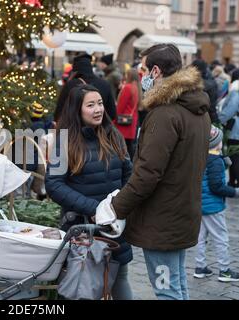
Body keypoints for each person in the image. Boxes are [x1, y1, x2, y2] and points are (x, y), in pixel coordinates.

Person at [99, 43, 211, 300]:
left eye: (143, 69)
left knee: (166, 290)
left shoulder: (165, 114)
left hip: (162, 219)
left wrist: (116, 208)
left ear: (156, 71)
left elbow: (147, 172)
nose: (141, 74)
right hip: (181, 212)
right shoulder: (196, 109)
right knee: (176, 285)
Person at [45, 84, 134, 300]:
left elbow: (128, 174)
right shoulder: (63, 141)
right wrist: (95, 208)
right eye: (91, 105)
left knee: (120, 277)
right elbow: (54, 185)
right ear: (77, 110)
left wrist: (119, 206)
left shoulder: (113, 135)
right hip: (84, 228)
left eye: (100, 103)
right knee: (84, 286)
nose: (98, 109)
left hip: (114, 226)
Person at [194, 126, 239, 282]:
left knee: (200, 237)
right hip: (213, 207)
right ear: (217, 143)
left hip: (201, 205)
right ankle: (224, 270)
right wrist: (234, 192)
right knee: (221, 237)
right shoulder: (215, 162)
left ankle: (200, 267)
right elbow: (216, 186)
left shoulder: (202, 158)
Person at [54, 53, 117, 123]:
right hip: (98, 131)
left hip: (74, 131)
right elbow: (112, 113)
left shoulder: (71, 85)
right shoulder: (105, 84)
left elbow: (59, 114)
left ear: (75, 69)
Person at [114, 68, 142, 159]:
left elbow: (120, 107)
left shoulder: (128, 87)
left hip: (123, 122)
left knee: (121, 150)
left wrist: (114, 120)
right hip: (132, 121)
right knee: (129, 149)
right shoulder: (137, 88)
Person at [219, 69, 239, 187]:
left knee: (234, 154)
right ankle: (232, 181)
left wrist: (219, 120)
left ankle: (234, 182)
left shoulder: (236, 92)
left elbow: (230, 109)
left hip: (236, 129)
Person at [192, 59, 219, 124]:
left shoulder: (185, 83)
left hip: (188, 119)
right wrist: (216, 121)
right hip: (205, 119)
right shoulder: (211, 85)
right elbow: (212, 106)